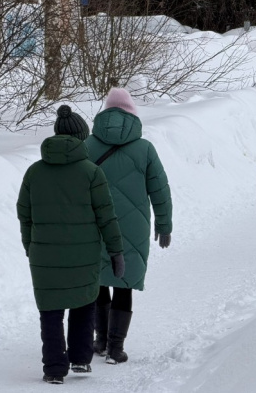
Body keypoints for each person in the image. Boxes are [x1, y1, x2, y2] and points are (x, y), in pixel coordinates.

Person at [17, 105, 126, 384]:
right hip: (84, 253)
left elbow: (24, 213)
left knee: (50, 310)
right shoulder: (91, 172)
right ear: (82, 137)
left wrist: (30, 245)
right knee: (83, 303)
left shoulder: (34, 172)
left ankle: (53, 368)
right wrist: (116, 250)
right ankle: (79, 359)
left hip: (44, 255)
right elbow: (106, 215)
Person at [85, 87, 173, 365]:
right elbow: (160, 190)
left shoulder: (87, 146)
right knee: (124, 285)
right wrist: (164, 223)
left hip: (95, 224)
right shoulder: (145, 148)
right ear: (133, 115)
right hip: (133, 228)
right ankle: (115, 348)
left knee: (98, 282)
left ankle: (99, 340)